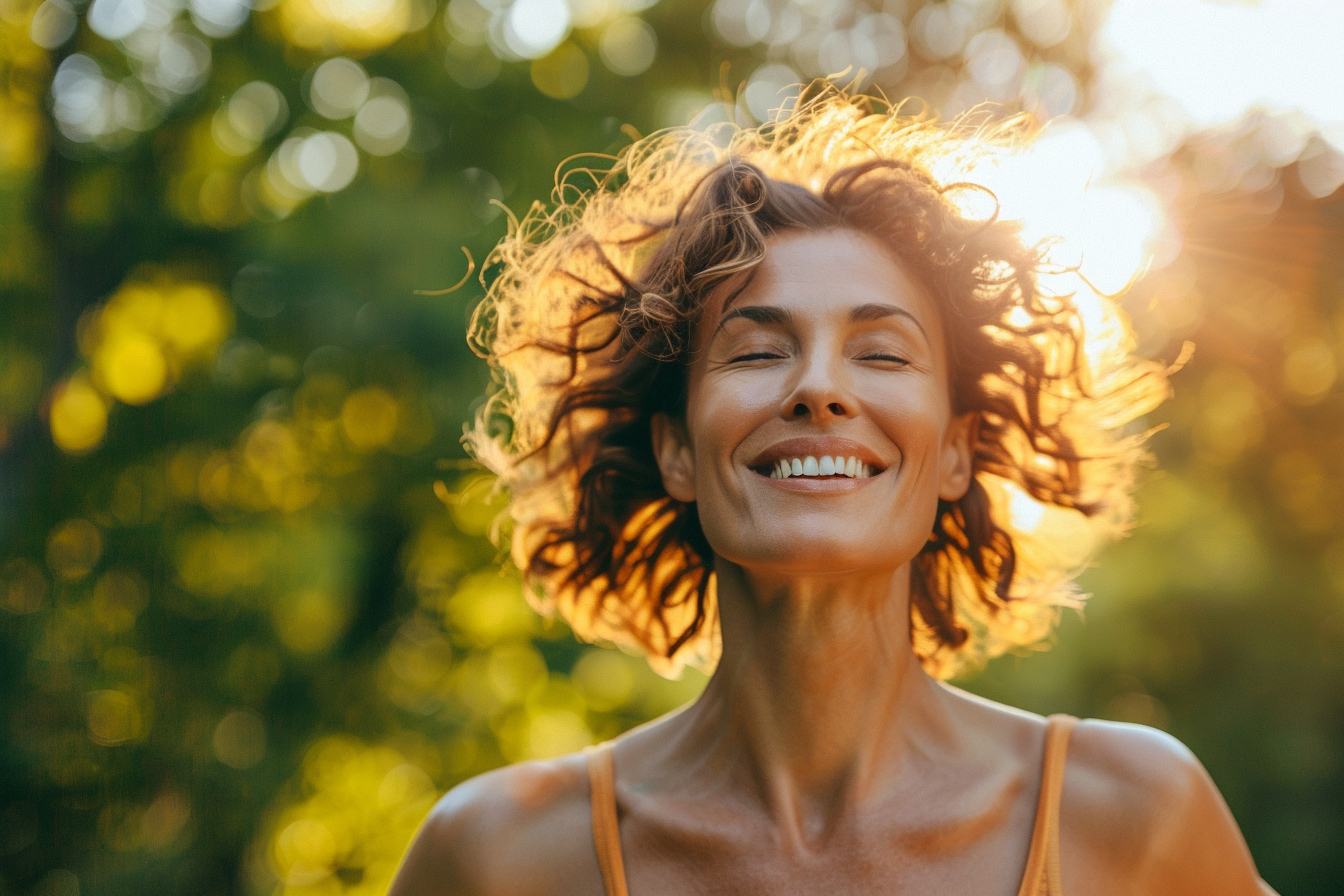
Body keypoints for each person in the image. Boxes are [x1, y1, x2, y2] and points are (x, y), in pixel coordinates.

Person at [389, 90, 1276, 895]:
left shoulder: (1137, 817)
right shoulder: (498, 859)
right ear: (677, 452)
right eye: (757, 350)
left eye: (881, 353)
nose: (819, 387)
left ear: (956, 452)